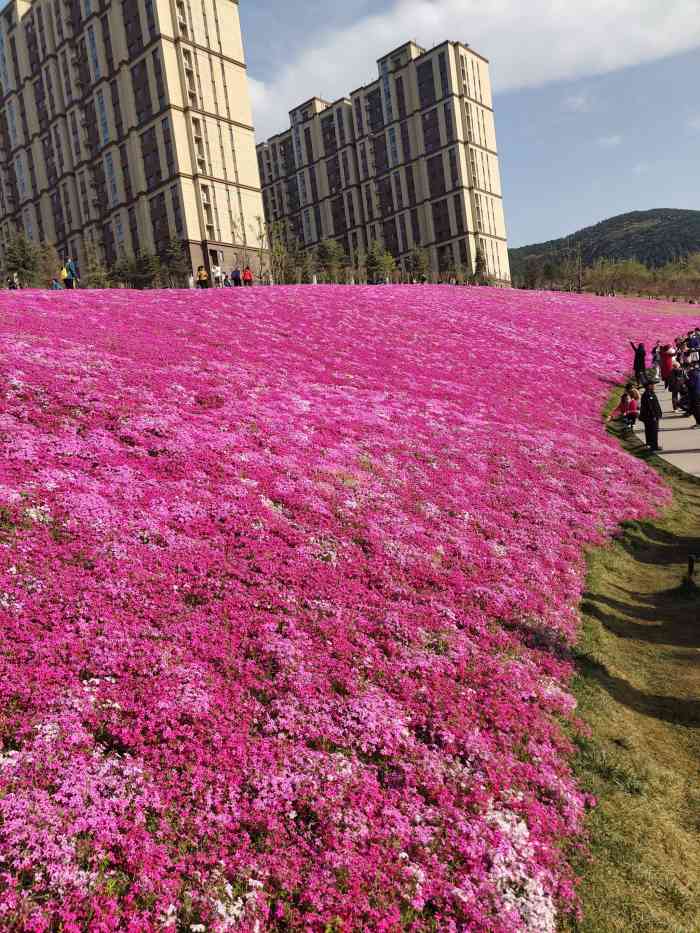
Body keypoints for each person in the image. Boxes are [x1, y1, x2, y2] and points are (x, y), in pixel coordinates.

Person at [639, 382, 663, 451]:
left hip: (651, 416)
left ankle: (649, 444)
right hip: (651, 417)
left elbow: (656, 405)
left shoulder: (651, 393)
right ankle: (654, 446)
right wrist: (654, 416)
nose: (654, 386)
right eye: (652, 385)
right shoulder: (647, 394)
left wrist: (659, 413)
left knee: (650, 431)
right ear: (649, 386)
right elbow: (650, 407)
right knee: (653, 431)